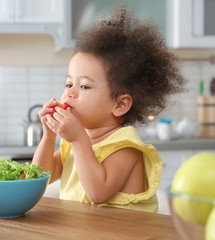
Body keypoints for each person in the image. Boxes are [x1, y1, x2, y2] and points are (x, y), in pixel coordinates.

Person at [32, 7, 186, 213]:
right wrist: (48, 137)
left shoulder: (126, 146)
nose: (70, 94)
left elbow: (98, 193)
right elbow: (41, 177)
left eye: (85, 86)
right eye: (69, 84)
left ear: (120, 105)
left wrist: (78, 139)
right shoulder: (74, 142)